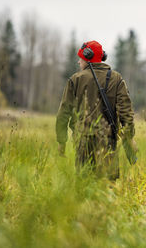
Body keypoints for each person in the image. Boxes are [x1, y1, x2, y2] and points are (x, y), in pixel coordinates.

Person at [56, 40, 137, 180]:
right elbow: (126, 113)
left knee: (84, 185)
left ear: (88, 57)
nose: (78, 61)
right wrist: (129, 137)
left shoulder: (75, 80)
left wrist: (61, 141)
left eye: (80, 57)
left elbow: (63, 114)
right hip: (108, 141)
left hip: (82, 141)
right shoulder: (116, 79)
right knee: (108, 187)